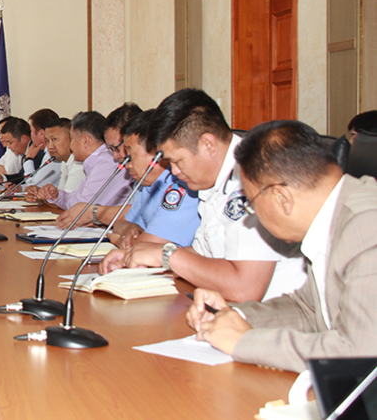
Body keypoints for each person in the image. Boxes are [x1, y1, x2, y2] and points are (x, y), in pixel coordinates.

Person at [187, 120, 377, 373]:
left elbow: (361, 354)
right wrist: (232, 316)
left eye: (251, 204)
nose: (253, 216)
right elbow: (307, 309)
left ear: (282, 198)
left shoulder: (366, 226)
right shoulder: (335, 215)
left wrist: (245, 342)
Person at [104, 88, 306, 302]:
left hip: (276, 313)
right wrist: (139, 256)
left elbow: (245, 289)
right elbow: (203, 254)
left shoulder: (255, 176)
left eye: (177, 161)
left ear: (208, 145)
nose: (174, 172)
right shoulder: (210, 180)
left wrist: (167, 256)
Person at [96, 109, 200, 254]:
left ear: (155, 153)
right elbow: (121, 222)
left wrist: (119, 240)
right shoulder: (150, 185)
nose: (127, 165)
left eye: (131, 155)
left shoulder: (181, 186)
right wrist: (129, 229)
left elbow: (149, 246)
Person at [36, 111, 133, 227]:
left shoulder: (107, 161)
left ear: (85, 140)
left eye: (72, 139)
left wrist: (63, 199)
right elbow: (79, 200)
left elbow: (82, 208)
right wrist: (58, 196)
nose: (71, 146)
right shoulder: (97, 160)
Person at [22, 109, 62, 188]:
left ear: (41, 133)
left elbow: (35, 186)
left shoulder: (53, 154)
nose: (31, 135)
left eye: (31, 131)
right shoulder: (45, 152)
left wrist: (28, 159)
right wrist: (19, 188)